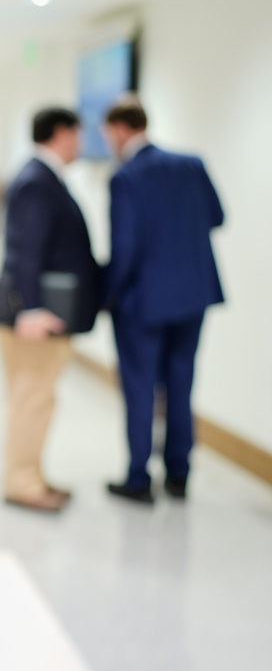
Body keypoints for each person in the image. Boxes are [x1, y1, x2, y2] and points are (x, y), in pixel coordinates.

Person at [102, 97, 224, 504]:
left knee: (139, 387)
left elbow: (126, 248)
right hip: (193, 296)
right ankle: (178, 472)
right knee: (181, 382)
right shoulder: (191, 164)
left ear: (119, 129)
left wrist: (107, 296)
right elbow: (216, 216)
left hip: (144, 304)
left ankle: (138, 478)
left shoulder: (125, 177)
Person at [0, 108, 99, 512]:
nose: (82, 143)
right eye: (78, 133)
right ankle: (21, 482)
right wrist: (30, 309)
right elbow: (25, 251)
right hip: (35, 318)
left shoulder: (43, 177)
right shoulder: (37, 181)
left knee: (38, 399)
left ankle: (31, 475)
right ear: (61, 133)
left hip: (44, 315)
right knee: (30, 399)